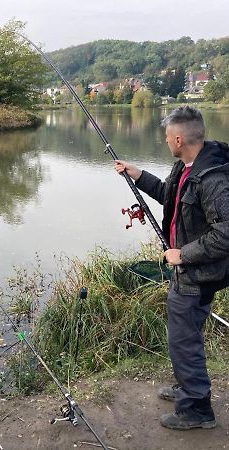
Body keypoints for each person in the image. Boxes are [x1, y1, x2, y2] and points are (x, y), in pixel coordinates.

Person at [115, 106, 229, 430]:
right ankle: (187, 387)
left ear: (179, 138)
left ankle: (197, 409)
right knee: (185, 336)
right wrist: (136, 174)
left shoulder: (213, 177)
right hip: (191, 273)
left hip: (197, 275)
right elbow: (169, 196)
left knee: (183, 341)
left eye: (166, 137)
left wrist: (184, 254)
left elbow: (226, 233)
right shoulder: (187, 165)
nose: (165, 141)